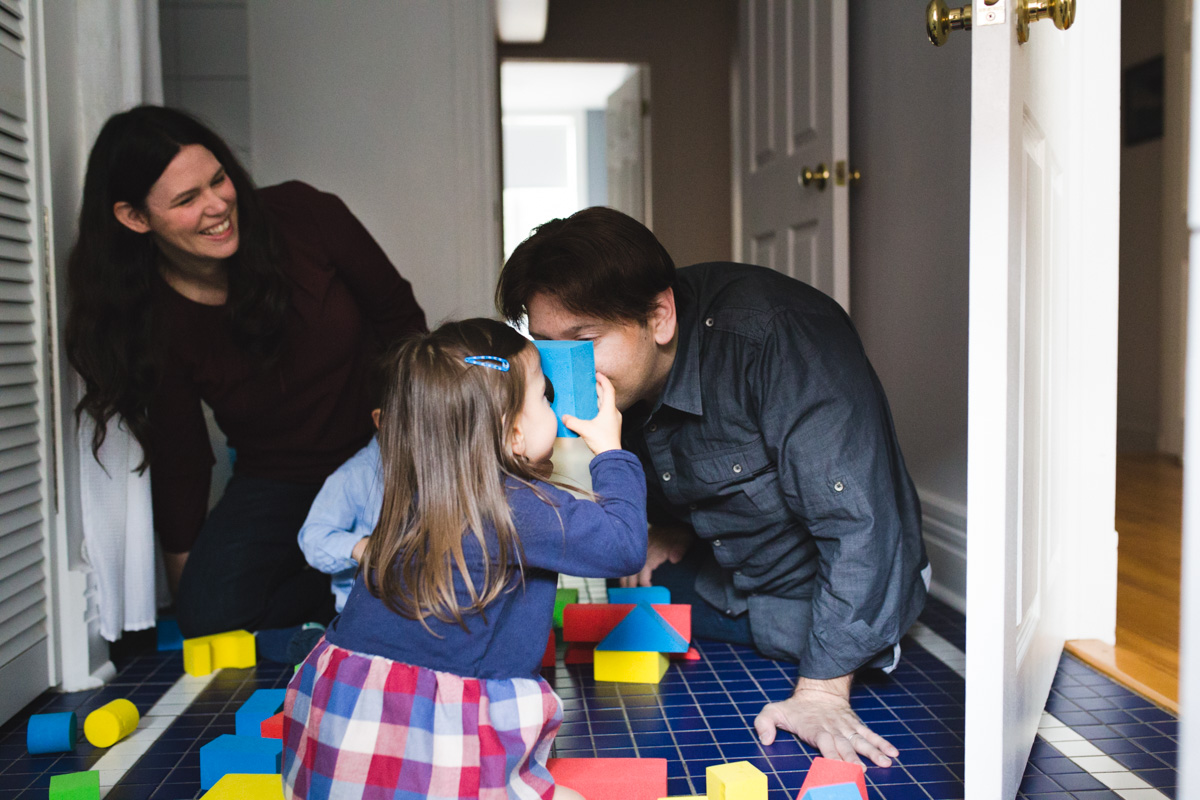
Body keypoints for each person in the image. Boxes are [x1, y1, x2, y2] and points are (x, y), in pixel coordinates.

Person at [496, 207, 929, 769]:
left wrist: (821, 692)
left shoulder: (781, 338)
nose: (562, 373)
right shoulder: (628, 379)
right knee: (639, 585)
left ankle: (868, 635)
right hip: (729, 568)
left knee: (843, 623)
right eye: (549, 347)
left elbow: (862, 525)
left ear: (659, 316)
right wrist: (672, 527)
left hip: (827, 575)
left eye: (584, 341)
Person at [64, 106, 427, 641]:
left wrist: (417, 444)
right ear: (135, 217)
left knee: (437, 568)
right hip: (277, 477)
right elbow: (182, 456)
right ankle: (340, 584)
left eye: (218, 180)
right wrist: (192, 587)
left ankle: (355, 581)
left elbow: (403, 324)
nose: (217, 206)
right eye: (187, 200)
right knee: (213, 618)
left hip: (382, 451)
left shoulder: (306, 214)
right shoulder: (147, 314)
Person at [282, 319, 646, 799]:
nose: (553, 408)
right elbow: (623, 545)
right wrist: (610, 451)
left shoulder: (418, 491)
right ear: (515, 432)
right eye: (544, 396)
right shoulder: (518, 507)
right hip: (432, 747)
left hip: (343, 737)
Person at [297, 415, 382, 614]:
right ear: (382, 420)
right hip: (361, 610)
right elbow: (312, 537)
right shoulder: (353, 476)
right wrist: (359, 547)